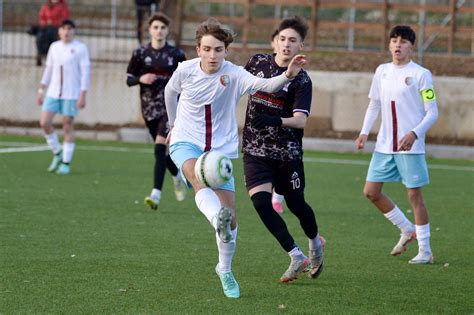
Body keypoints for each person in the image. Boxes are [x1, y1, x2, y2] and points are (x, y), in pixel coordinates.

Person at [164, 18, 307, 298]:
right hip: (186, 141)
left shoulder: (235, 74)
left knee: (232, 222)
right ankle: (217, 216)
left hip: (220, 150)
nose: (212, 55)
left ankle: (224, 269)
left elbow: (267, 86)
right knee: (196, 177)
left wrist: (289, 74)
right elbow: (170, 92)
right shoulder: (185, 71)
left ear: (226, 51)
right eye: (207, 49)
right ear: (198, 50)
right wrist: (171, 126)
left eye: (218, 49)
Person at [242, 16, 325, 283]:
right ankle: (295, 254)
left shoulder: (302, 80)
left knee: (296, 204)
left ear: (301, 46)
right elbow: (237, 86)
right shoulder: (257, 63)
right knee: (261, 202)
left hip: (286, 153)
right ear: (273, 42)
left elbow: (300, 120)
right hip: (255, 150)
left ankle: (315, 244)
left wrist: (274, 119)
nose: (286, 44)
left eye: (293, 40)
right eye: (282, 39)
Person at [355, 25, 439, 264]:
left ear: (411, 47)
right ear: (389, 44)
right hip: (384, 145)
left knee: (414, 196)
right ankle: (406, 228)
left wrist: (414, 133)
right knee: (371, 192)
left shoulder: (422, 74)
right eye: (394, 40)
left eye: (403, 41)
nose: (398, 45)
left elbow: (432, 112)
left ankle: (425, 250)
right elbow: (374, 104)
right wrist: (364, 132)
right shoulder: (381, 71)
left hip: (409, 147)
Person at [126, 12, 187, 210]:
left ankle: (156, 194)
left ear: (167, 30)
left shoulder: (176, 54)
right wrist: (140, 79)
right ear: (150, 30)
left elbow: (187, 82)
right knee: (161, 151)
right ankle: (177, 176)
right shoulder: (140, 53)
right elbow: (129, 79)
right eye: (155, 27)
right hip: (149, 109)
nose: (159, 31)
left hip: (169, 108)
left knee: (160, 147)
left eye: (162, 27)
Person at [36, 19, 90, 175]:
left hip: (71, 94)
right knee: (44, 123)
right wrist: (41, 90)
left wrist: (83, 94)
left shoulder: (80, 48)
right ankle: (57, 152)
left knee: (67, 125)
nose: (67, 32)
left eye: (70, 29)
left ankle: (66, 162)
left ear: (74, 31)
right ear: (59, 31)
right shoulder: (54, 47)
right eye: (64, 29)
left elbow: (85, 72)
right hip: (53, 92)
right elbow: (49, 69)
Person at [269, 28, 285, 215]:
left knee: (283, 165)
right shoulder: (261, 64)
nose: (284, 44)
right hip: (262, 129)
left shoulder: (296, 71)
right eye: (280, 39)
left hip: (283, 126)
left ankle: (277, 199)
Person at [36, 0, 70, 66]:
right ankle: (42, 54)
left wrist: (54, 23)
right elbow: (41, 17)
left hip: (57, 27)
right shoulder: (46, 5)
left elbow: (64, 19)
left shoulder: (63, 6)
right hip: (45, 27)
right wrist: (46, 23)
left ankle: (50, 56)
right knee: (40, 37)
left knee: (52, 35)